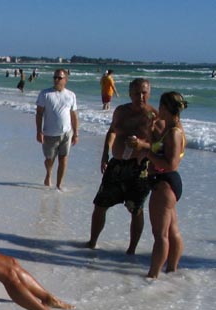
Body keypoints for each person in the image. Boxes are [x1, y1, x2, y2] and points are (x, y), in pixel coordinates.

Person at [87, 78, 156, 253]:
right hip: (116, 165)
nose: (140, 96)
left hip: (139, 168)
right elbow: (112, 132)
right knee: (100, 205)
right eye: (136, 93)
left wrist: (142, 145)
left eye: (144, 93)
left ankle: (131, 249)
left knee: (136, 209)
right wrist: (104, 154)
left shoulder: (154, 116)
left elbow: (161, 146)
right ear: (130, 94)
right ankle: (92, 242)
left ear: (149, 93)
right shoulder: (120, 111)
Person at [132, 92, 188, 278]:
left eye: (160, 106)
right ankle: (172, 270)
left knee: (160, 235)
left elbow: (171, 164)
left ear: (165, 108)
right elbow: (160, 148)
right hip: (169, 183)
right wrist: (149, 132)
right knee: (172, 231)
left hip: (165, 183)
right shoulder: (173, 128)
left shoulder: (173, 132)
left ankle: (153, 276)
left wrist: (146, 151)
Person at [35, 69, 78, 190]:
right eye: (55, 77)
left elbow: (74, 115)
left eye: (59, 78)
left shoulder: (71, 95)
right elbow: (39, 114)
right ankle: (49, 174)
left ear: (66, 80)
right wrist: (39, 131)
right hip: (49, 133)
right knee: (49, 160)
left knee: (63, 158)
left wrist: (76, 133)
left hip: (67, 133)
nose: (56, 80)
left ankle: (59, 185)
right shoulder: (45, 94)